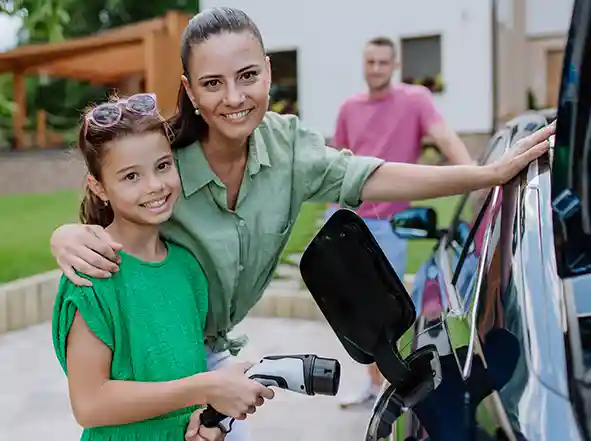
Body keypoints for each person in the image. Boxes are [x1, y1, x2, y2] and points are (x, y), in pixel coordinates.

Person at [49, 7, 554, 440]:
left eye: (248, 75)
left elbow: (371, 175)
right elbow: (116, 193)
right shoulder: (167, 162)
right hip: (151, 361)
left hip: (207, 358)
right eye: (211, 83)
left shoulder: (289, 148)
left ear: (268, 72)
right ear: (189, 90)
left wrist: (486, 174)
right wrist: (65, 235)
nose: (233, 97)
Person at [51, 94, 273, 441]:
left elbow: (184, 378)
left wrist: (207, 422)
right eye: (131, 177)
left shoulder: (187, 268)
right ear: (99, 187)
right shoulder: (93, 272)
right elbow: (90, 403)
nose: (155, 185)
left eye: (163, 166)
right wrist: (207, 386)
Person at [330, 36, 474, 409]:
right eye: (370, 62)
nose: (376, 68)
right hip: (354, 222)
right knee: (361, 311)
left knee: (389, 313)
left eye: (383, 62)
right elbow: (338, 163)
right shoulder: (349, 107)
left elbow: (444, 136)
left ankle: (388, 386)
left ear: (394, 66)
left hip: (394, 224)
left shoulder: (415, 100)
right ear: (364, 65)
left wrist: (477, 174)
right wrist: (333, 217)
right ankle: (372, 383)